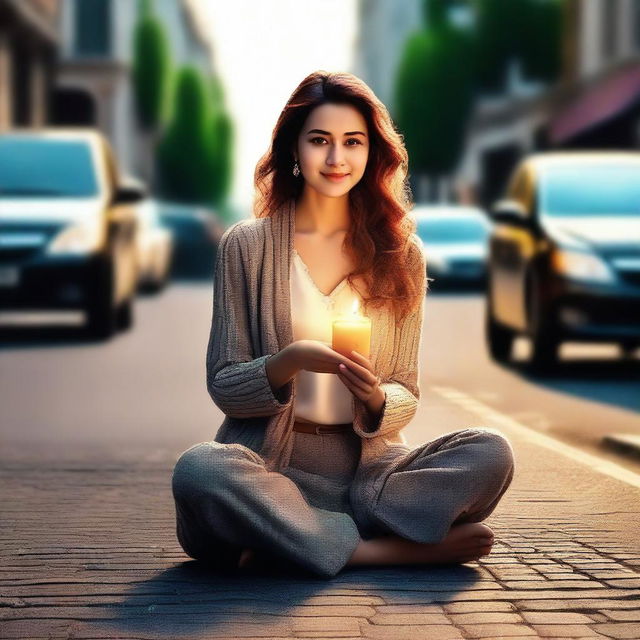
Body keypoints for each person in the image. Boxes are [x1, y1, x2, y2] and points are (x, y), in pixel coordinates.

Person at [171, 70, 515, 579]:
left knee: (492, 451)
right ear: (294, 148)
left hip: (372, 480)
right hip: (271, 472)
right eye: (319, 141)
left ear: (372, 152)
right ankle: (377, 551)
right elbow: (225, 384)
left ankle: (299, 542)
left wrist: (376, 399)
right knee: (199, 469)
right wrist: (287, 363)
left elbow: (406, 390)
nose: (336, 159)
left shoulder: (402, 254)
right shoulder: (247, 245)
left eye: (352, 142)